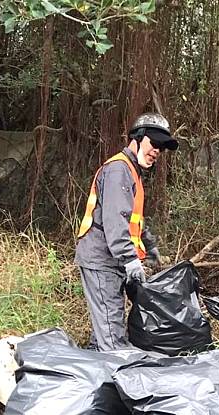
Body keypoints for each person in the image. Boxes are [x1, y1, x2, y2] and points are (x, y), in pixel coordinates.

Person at [75, 113, 178, 350]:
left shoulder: (132, 171)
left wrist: (149, 246)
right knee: (112, 330)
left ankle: (96, 365)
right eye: (154, 143)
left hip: (110, 258)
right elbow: (114, 222)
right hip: (101, 257)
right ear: (138, 138)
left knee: (107, 322)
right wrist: (130, 259)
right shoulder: (119, 170)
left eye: (161, 148)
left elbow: (134, 220)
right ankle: (115, 375)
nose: (157, 151)